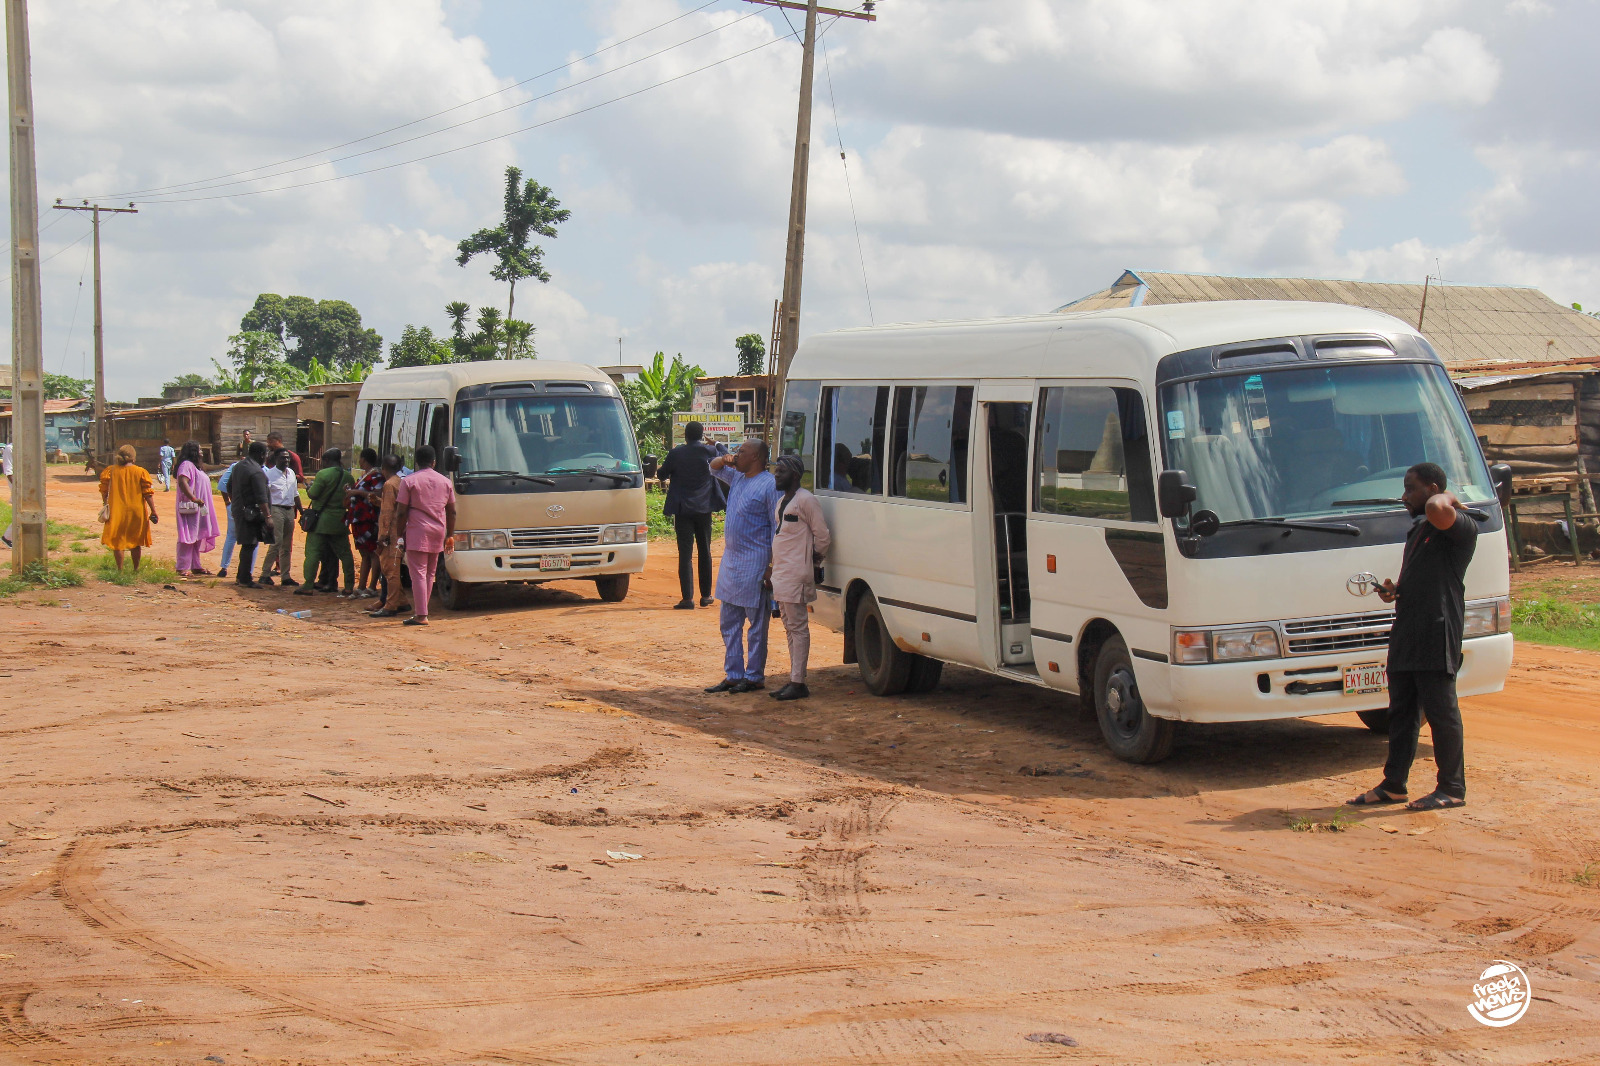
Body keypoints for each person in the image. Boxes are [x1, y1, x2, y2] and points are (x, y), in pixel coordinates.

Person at [1348, 462, 1478, 813]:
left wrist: (1448, 497)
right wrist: (1396, 591)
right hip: (1408, 629)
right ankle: (1393, 785)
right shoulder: (1421, 528)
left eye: (1410, 488)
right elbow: (1424, 578)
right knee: (1401, 711)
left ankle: (1451, 788)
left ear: (1433, 489)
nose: (1404, 496)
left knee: (1441, 711)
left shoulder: (1461, 526)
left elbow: (1438, 507)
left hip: (1437, 629)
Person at [704, 438, 781, 693]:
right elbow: (713, 467)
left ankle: (754, 676)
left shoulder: (769, 485)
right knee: (729, 623)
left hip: (756, 562)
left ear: (756, 457)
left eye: (742, 451)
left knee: (756, 626)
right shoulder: (738, 477)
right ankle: (734, 674)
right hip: (732, 561)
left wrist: (771, 565)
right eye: (737, 451)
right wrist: (723, 458)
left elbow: (776, 527)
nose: (737, 454)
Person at [766, 455, 831, 701]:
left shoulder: (806, 500)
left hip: (796, 573)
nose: (776, 475)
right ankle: (795, 678)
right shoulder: (782, 501)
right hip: (782, 573)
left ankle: (798, 682)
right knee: (789, 627)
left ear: (794, 475)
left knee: (797, 628)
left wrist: (813, 563)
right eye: (776, 470)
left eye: (781, 471)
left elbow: (822, 537)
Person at [658, 420, 722, 609]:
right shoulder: (710, 451)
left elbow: (662, 474)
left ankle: (687, 599)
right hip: (704, 509)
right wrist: (717, 444)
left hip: (683, 509)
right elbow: (726, 459)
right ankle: (706, 596)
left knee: (685, 554)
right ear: (702, 436)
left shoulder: (676, 453)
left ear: (685, 436)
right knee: (705, 551)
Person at [393, 444, 456, 626]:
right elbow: (452, 511)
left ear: (417, 462)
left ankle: (421, 615)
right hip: (438, 530)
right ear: (434, 462)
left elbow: (401, 512)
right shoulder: (445, 482)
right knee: (429, 573)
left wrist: (399, 534)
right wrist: (450, 535)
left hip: (417, 531)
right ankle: (422, 611)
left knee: (418, 573)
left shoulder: (409, 481)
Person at [296, 448, 356, 597]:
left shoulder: (323, 474)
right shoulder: (348, 477)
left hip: (321, 520)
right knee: (345, 554)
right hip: (340, 520)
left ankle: (308, 585)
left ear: (326, 460)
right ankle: (349, 586)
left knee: (313, 553)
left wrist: (309, 487)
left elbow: (313, 494)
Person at [99, 444, 158, 572]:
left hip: (116, 511)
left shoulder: (110, 471)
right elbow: (148, 494)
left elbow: (104, 491)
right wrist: (153, 511)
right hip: (136, 511)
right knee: (135, 541)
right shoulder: (141, 472)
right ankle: (136, 569)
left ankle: (120, 570)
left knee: (118, 542)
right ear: (133, 458)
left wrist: (105, 503)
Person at [368, 454, 411, 618]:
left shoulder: (389, 484)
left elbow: (387, 513)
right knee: (393, 569)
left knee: (390, 570)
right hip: (401, 530)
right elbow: (396, 506)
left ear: (383, 469)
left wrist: (382, 537)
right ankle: (401, 601)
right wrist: (378, 501)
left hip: (391, 534)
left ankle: (391, 605)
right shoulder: (401, 482)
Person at [228, 441, 274, 588]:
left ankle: (241, 576)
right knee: (250, 544)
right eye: (265, 455)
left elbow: (229, 486)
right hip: (251, 513)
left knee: (247, 544)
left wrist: (237, 502)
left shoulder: (239, 466)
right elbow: (262, 498)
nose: (266, 458)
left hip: (239, 509)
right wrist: (268, 517)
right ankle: (244, 579)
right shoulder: (256, 471)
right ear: (261, 455)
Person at [172, 440, 219, 576]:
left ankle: (195, 565)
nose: (201, 452)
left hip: (199, 508)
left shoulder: (196, 467)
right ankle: (182, 567)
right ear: (193, 451)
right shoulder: (186, 465)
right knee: (188, 536)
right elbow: (183, 482)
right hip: (191, 507)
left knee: (197, 535)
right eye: (199, 449)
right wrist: (193, 498)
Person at [258, 448, 301, 586]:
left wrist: (301, 510)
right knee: (276, 542)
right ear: (276, 459)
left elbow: (295, 494)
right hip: (276, 508)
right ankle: (265, 574)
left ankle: (285, 576)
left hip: (289, 510)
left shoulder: (291, 473)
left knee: (287, 545)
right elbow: (264, 495)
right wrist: (267, 515)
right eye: (283, 457)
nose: (286, 460)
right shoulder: (269, 474)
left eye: (288, 458)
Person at [345, 448, 384, 599]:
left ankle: (372, 586)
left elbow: (378, 495)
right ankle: (361, 586)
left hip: (369, 518)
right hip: (359, 519)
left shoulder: (376, 476)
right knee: (364, 553)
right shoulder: (365, 476)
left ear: (363, 459)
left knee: (373, 552)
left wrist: (357, 492)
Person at [215, 462, 237, 578]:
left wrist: (228, 502)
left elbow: (222, 483)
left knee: (231, 536)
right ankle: (248, 571)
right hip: (252, 508)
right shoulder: (262, 468)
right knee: (252, 541)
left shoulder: (235, 466)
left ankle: (224, 567)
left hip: (234, 506)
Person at [2, 440, 13, 548]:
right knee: (20, 512)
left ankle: (8, 537)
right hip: (18, 485)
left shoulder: (27, 447)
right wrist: (18, 487)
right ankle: (7, 537)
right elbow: (9, 471)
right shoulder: (10, 448)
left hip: (28, 484)